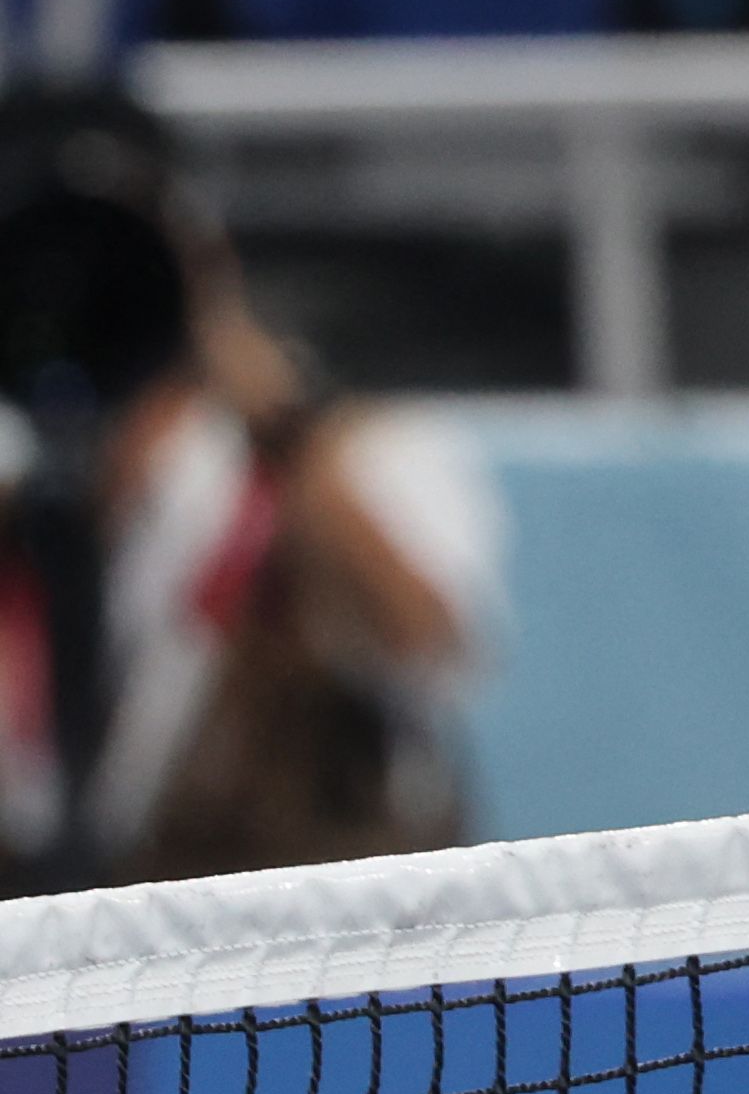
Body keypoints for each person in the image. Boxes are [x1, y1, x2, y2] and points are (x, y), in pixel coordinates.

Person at [0, 90, 502, 889]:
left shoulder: (353, 459)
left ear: (199, 256)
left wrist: (282, 429)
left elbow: (432, 649)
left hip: (323, 990)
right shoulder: (24, 523)